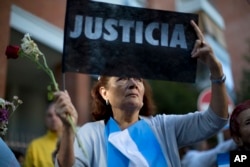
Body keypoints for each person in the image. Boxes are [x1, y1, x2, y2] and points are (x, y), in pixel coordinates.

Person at [53, 20, 229, 167]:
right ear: (104, 92)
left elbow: (216, 120)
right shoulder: (90, 134)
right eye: (122, 78)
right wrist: (68, 130)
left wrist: (216, 70)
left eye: (138, 78)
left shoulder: (164, 127)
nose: (133, 83)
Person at [23, 102, 63, 167]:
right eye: (50, 115)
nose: (54, 118)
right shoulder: (34, 146)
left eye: (57, 114)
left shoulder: (72, 144)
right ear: (45, 119)